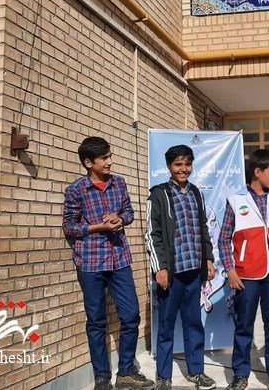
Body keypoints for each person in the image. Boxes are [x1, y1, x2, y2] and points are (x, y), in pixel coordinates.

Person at [62, 137, 155, 390]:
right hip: (90, 262)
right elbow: (69, 227)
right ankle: (102, 377)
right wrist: (97, 227)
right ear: (88, 162)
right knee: (96, 321)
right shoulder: (76, 190)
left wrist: (120, 219)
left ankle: (125, 373)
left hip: (119, 259)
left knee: (131, 316)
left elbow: (129, 213)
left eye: (109, 156)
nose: (109, 162)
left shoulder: (119, 183)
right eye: (104, 158)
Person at [218, 149, 269, 390]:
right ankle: (240, 374)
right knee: (244, 326)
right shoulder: (236, 200)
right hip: (246, 274)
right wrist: (230, 270)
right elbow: (224, 239)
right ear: (257, 172)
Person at [145, 145, 217, 390]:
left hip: (193, 272)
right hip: (171, 274)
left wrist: (208, 259)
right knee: (166, 326)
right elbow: (152, 235)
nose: (183, 169)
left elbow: (203, 228)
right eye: (178, 164)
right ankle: (163, 376)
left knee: (193, 323)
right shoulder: (158, 195)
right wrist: (160, 268)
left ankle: (196, 371)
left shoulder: (196, 193)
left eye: (187, 164)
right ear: (169, 166)